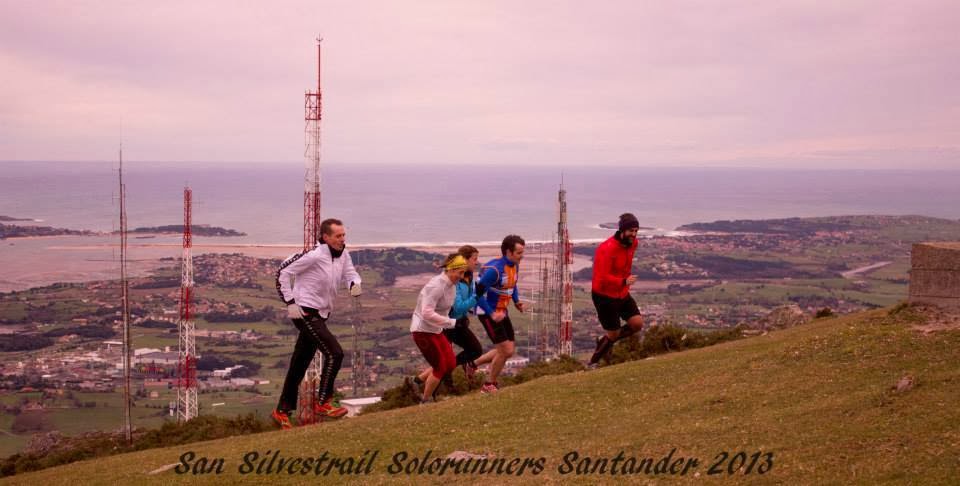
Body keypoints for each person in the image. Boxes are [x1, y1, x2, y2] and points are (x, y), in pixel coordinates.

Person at [272, 218, 362, 429]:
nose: (342, 239)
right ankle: (324, 403)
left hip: (322, 313)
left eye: (343, 235)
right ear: (326, 237)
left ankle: (281, 410)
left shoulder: (343, 255)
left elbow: (351, 273)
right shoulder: (313, 255)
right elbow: (282, 272)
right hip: (304, 311)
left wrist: (354, 283)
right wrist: (290, 302)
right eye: (338, 236)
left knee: (299, 363)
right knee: (335, 353)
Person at [412, 245, 484, 392]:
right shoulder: (454, 281)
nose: (476, 262)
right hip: (447, 323)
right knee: (446, 362)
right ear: (464, 260)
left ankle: (421, 380)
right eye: (474, 259)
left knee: (464, 355)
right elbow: (457, 307)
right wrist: (476, 298)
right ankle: (428, 390)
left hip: (456, 322)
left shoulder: (468, 277)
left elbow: (465, 302)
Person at [410, 253, 468, 403]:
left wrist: (461, 317)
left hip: (436, 330)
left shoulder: (451, 286)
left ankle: (416, 382)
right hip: (422, 330)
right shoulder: (436, 286)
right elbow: (427, 313)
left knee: (450, 363)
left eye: (463, 272)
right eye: (459, 272)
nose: (462, 276)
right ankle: (426, 401)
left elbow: (448, 307)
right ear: (450, 269)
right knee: (440, 367)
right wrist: (453, 322)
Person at [589, 213, 645, 365]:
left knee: (637, 324)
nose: (633, 234)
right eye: (630, 231)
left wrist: (623, 283)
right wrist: (623, 281)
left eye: (636, 231)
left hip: (622, 292)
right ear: (622, 230)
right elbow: (601, 277)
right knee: (613, 334)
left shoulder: (633, 243)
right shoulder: (606, 249)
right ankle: (592, 363)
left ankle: (606, 340)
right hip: (604, 295)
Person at [473, 235, 526, 393]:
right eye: (519, 253)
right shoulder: (494, 270)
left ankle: (472, 364)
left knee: (508, 349)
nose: (522, 256)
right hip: (487, 312)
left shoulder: (514, 265)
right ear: (508, 252)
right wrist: (491, 313)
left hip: (502, 311)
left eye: (523, 252)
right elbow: (477, 294)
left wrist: (516, 301)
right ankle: (489, 384)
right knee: (506, 351)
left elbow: (512, 284)